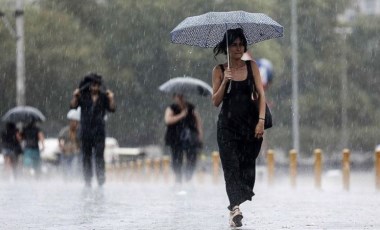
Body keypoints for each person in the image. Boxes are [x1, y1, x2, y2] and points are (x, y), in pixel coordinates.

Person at [211, 28, 266, 227]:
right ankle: (235, 209)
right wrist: (225, 80)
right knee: (231, 167)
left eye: (241, 44)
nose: (238, 48)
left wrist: (260, 120)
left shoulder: (252, 67)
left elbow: (261, 94)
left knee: (246, 168)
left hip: (248, 127)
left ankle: (236, 202)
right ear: (227, 47)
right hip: (226, 128)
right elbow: (215, 101)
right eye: (234, 44)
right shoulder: (219, 70)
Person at [70, 73, 115, 187]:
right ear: (89, 85)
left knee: (99, 156)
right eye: (93, 85)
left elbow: (112, 109)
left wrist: (111, 98)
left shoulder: (104, 97)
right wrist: (75, 96)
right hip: (86, 131)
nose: (95, 87)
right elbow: (72, 106)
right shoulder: (82, 96)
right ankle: (87, 180)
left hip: (99, 131)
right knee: (86, 156)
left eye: (97, 85)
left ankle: (100, 179)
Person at [164, 93, 203, 185]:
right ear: (174, 97)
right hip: (175, 138)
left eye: (182, 96)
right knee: (176, 159)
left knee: (192, 158)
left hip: (190, 138)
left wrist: (200, 135)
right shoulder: (171, 108)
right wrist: (181, 115)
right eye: (178, 96)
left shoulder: (191, 108)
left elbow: (198, 122)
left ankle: (188, 177)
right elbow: (168, 120)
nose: (180, 98)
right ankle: (178, 178)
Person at [58, 109, 81, 179]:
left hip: (75, 154)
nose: (72, 123)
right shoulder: (65, 130)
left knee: (74, 169)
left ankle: (74, 180)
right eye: (71, 121)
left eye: (74, 121)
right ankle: (66, 181)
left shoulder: (79, 131)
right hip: (65, 154)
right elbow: (61, 140)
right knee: (65, 170)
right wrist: (62, 146)